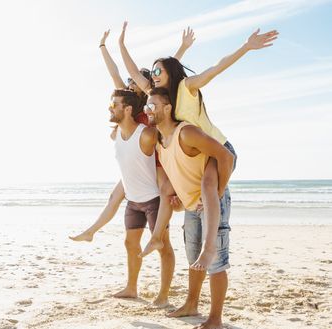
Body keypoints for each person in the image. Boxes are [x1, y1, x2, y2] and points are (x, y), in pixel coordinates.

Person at [119, 22, 278, 269]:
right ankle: (157, 238)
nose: (153, 74)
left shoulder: (187, 87)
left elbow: (215, 68)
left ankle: (210, 245)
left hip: (218, 148)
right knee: (168, 189)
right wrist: (121, 45)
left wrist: (246, 47)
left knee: (208, 185)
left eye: (158, 71)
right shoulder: (158, 97)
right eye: (153, 71)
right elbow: (136, 73)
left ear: (170, 73)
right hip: (195, 154)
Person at [69, 27, 195, 244]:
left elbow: (165, 73)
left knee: (170, 193)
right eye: (129, 82)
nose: (129, 83)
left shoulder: (151, 101)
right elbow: (114, 73)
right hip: (138, 163)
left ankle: (188, 212)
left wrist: (182, 48)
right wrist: (102, 47)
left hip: (156, 161)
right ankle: (91, 231)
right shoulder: (130, 105)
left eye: (134, 81)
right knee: (114, 197)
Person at [145, 87, 235, 329]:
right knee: (193, 259)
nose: (147, 110)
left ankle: (215, 319)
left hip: (211, 201)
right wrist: (179, 199)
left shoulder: (185, 133)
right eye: (145, 106)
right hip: (192, 204)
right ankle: (191, 305)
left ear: (167, 108)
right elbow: (181, 175)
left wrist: (216, 193)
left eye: (152, 105)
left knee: (214, 260)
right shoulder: (160, 143)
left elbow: (226, 156)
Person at [76, 89, 175, 307]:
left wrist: (177, 189)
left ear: (128, 109)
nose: (110, 108)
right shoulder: (116, 136)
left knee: (164, 247)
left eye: (114, 105)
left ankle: (164, 295)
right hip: (133, 201)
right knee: (130, 243)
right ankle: (131, 288)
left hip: (153, 200)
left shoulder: (147, 134)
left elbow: (170, 153)